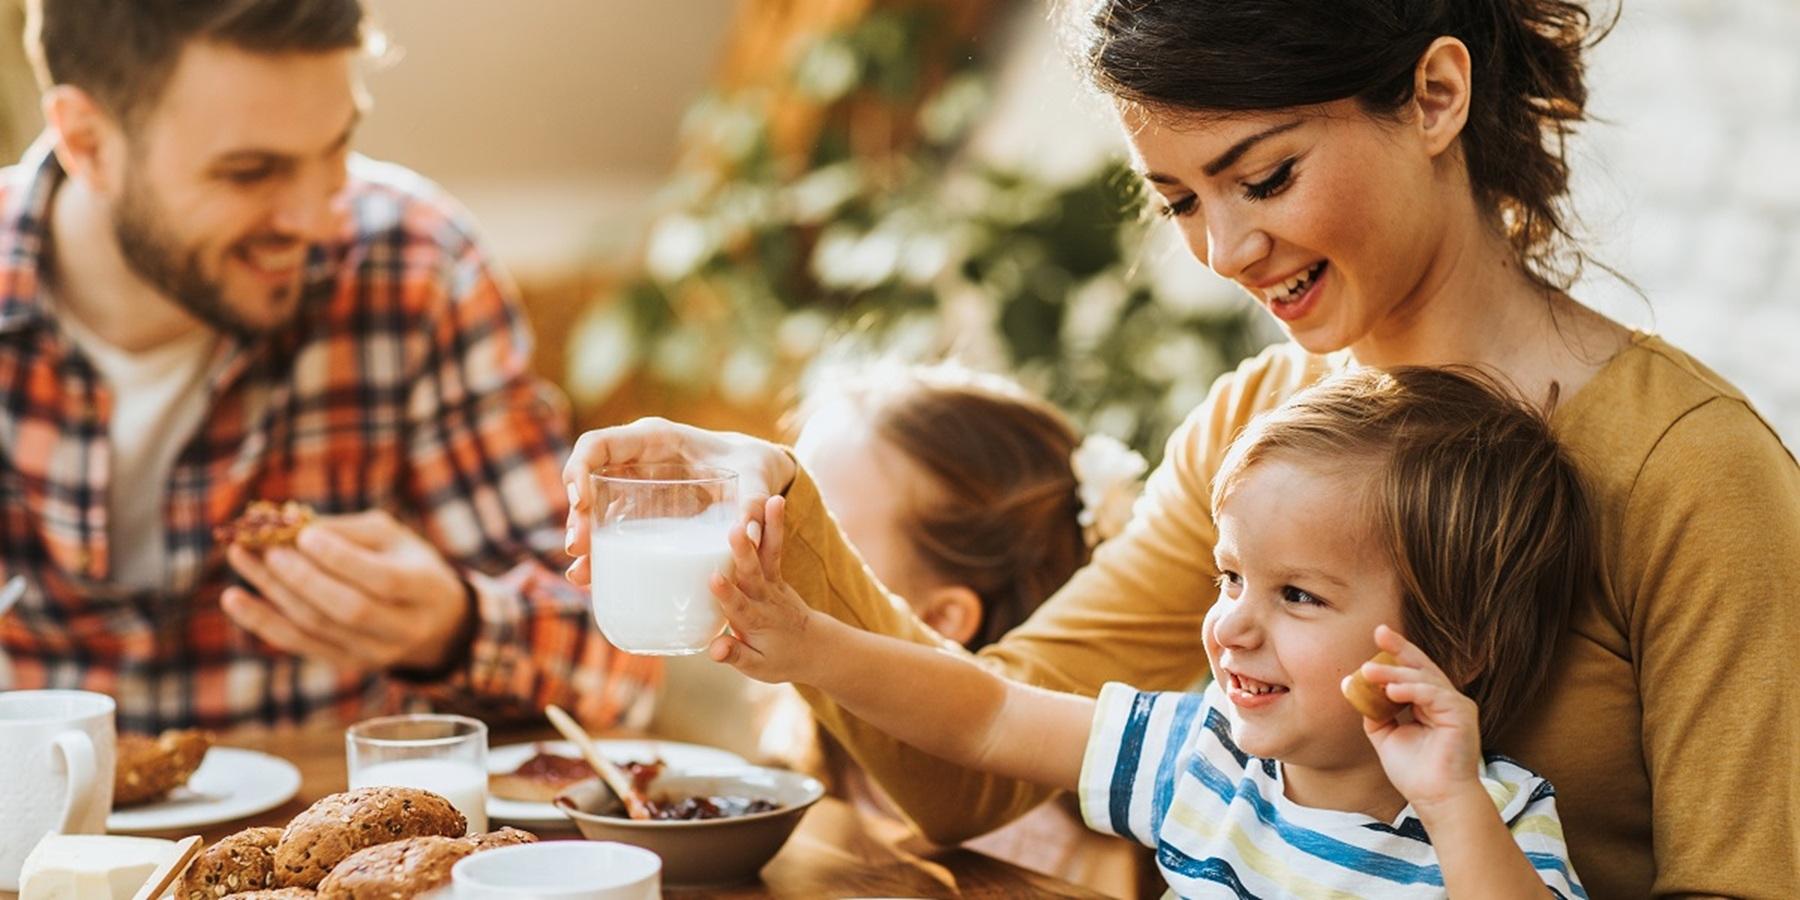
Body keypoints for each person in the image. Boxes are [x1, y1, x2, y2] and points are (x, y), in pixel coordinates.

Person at [562, 1, 1800, 896]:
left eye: (1263, 177)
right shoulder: (1260, 431)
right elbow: (983, 757)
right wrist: (780, 510)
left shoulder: (1694, 471)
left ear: (1435, 95)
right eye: (1179, 200)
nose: (1222, 252)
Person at [0, 0, 657, 732]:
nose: (320, 220)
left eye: (336, 147)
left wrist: (457, 627)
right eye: (250, 173)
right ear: (86, 141)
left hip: (329, 836)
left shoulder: (415, 267)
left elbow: (623, 661)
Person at [716, 367, 1593, 897]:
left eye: (1298, 596)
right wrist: (810, 644)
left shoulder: (1497, 819)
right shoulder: (1199, 754)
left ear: (1457, 645)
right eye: (1230, 577)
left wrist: (1449, 806)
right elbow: (984, 715)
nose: (1233, 626)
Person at [790, 361, 1149, 891]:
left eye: (822, 533)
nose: (782, 536)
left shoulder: (1026, 846)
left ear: (938, 619)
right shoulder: (820, 727)